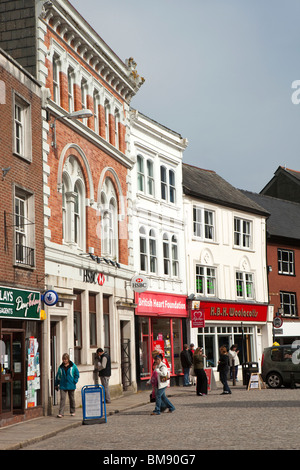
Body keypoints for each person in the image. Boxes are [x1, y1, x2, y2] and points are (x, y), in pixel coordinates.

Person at [55, 353, 79, 417]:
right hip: (63, 385)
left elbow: (77, 374)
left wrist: (75, 381)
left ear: (68, 359)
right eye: (63, 359)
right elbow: (58, 376)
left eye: (65, 359)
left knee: (71, 398)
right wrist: (56, 384)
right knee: (62, 399)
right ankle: (61, 413)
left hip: (71, 384)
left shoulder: (73, 366)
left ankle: (72, 411)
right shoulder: (60, 367)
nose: (64, 361)